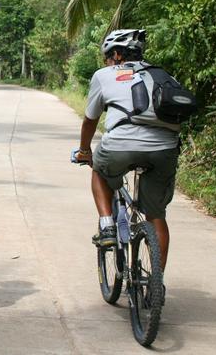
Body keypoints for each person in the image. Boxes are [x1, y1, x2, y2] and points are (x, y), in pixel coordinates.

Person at [75, 29, 180, 271]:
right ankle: (156, 282)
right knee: (156, 216)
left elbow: (90, 120)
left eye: (108, 57)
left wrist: (84, 151)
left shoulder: (104, 75)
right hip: (166, 149)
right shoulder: (163, 75)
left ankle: (107, 225)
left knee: (99, 171)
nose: (107, 63)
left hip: (120, 145)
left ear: (117, 55)